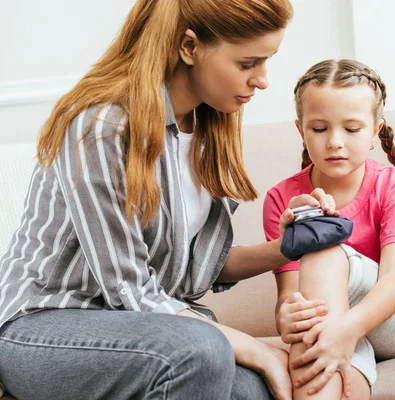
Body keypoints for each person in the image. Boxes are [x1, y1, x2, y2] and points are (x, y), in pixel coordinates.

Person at [0, 1, 329, 399]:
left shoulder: (206, 128)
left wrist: (284, 248)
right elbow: (128, 285)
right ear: (188, 47)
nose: (262, 80)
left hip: (141, 329)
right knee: (201, 350)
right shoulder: (101, 126)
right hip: (41, 327)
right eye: (247, 64)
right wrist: (255, 347)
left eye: (266, 62)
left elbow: (186, 270)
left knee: (252, 390)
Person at [263, 59, 395, 399]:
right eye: (319, 129)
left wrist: (346, 329)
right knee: (317, 317)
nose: (334, 141)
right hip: (333, 317)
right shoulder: (282, 199)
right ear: (301, 130)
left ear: (375, 132)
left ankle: (339, 340)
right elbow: (291, 294)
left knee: (323, 252)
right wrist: (288, 317)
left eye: (351, 129)